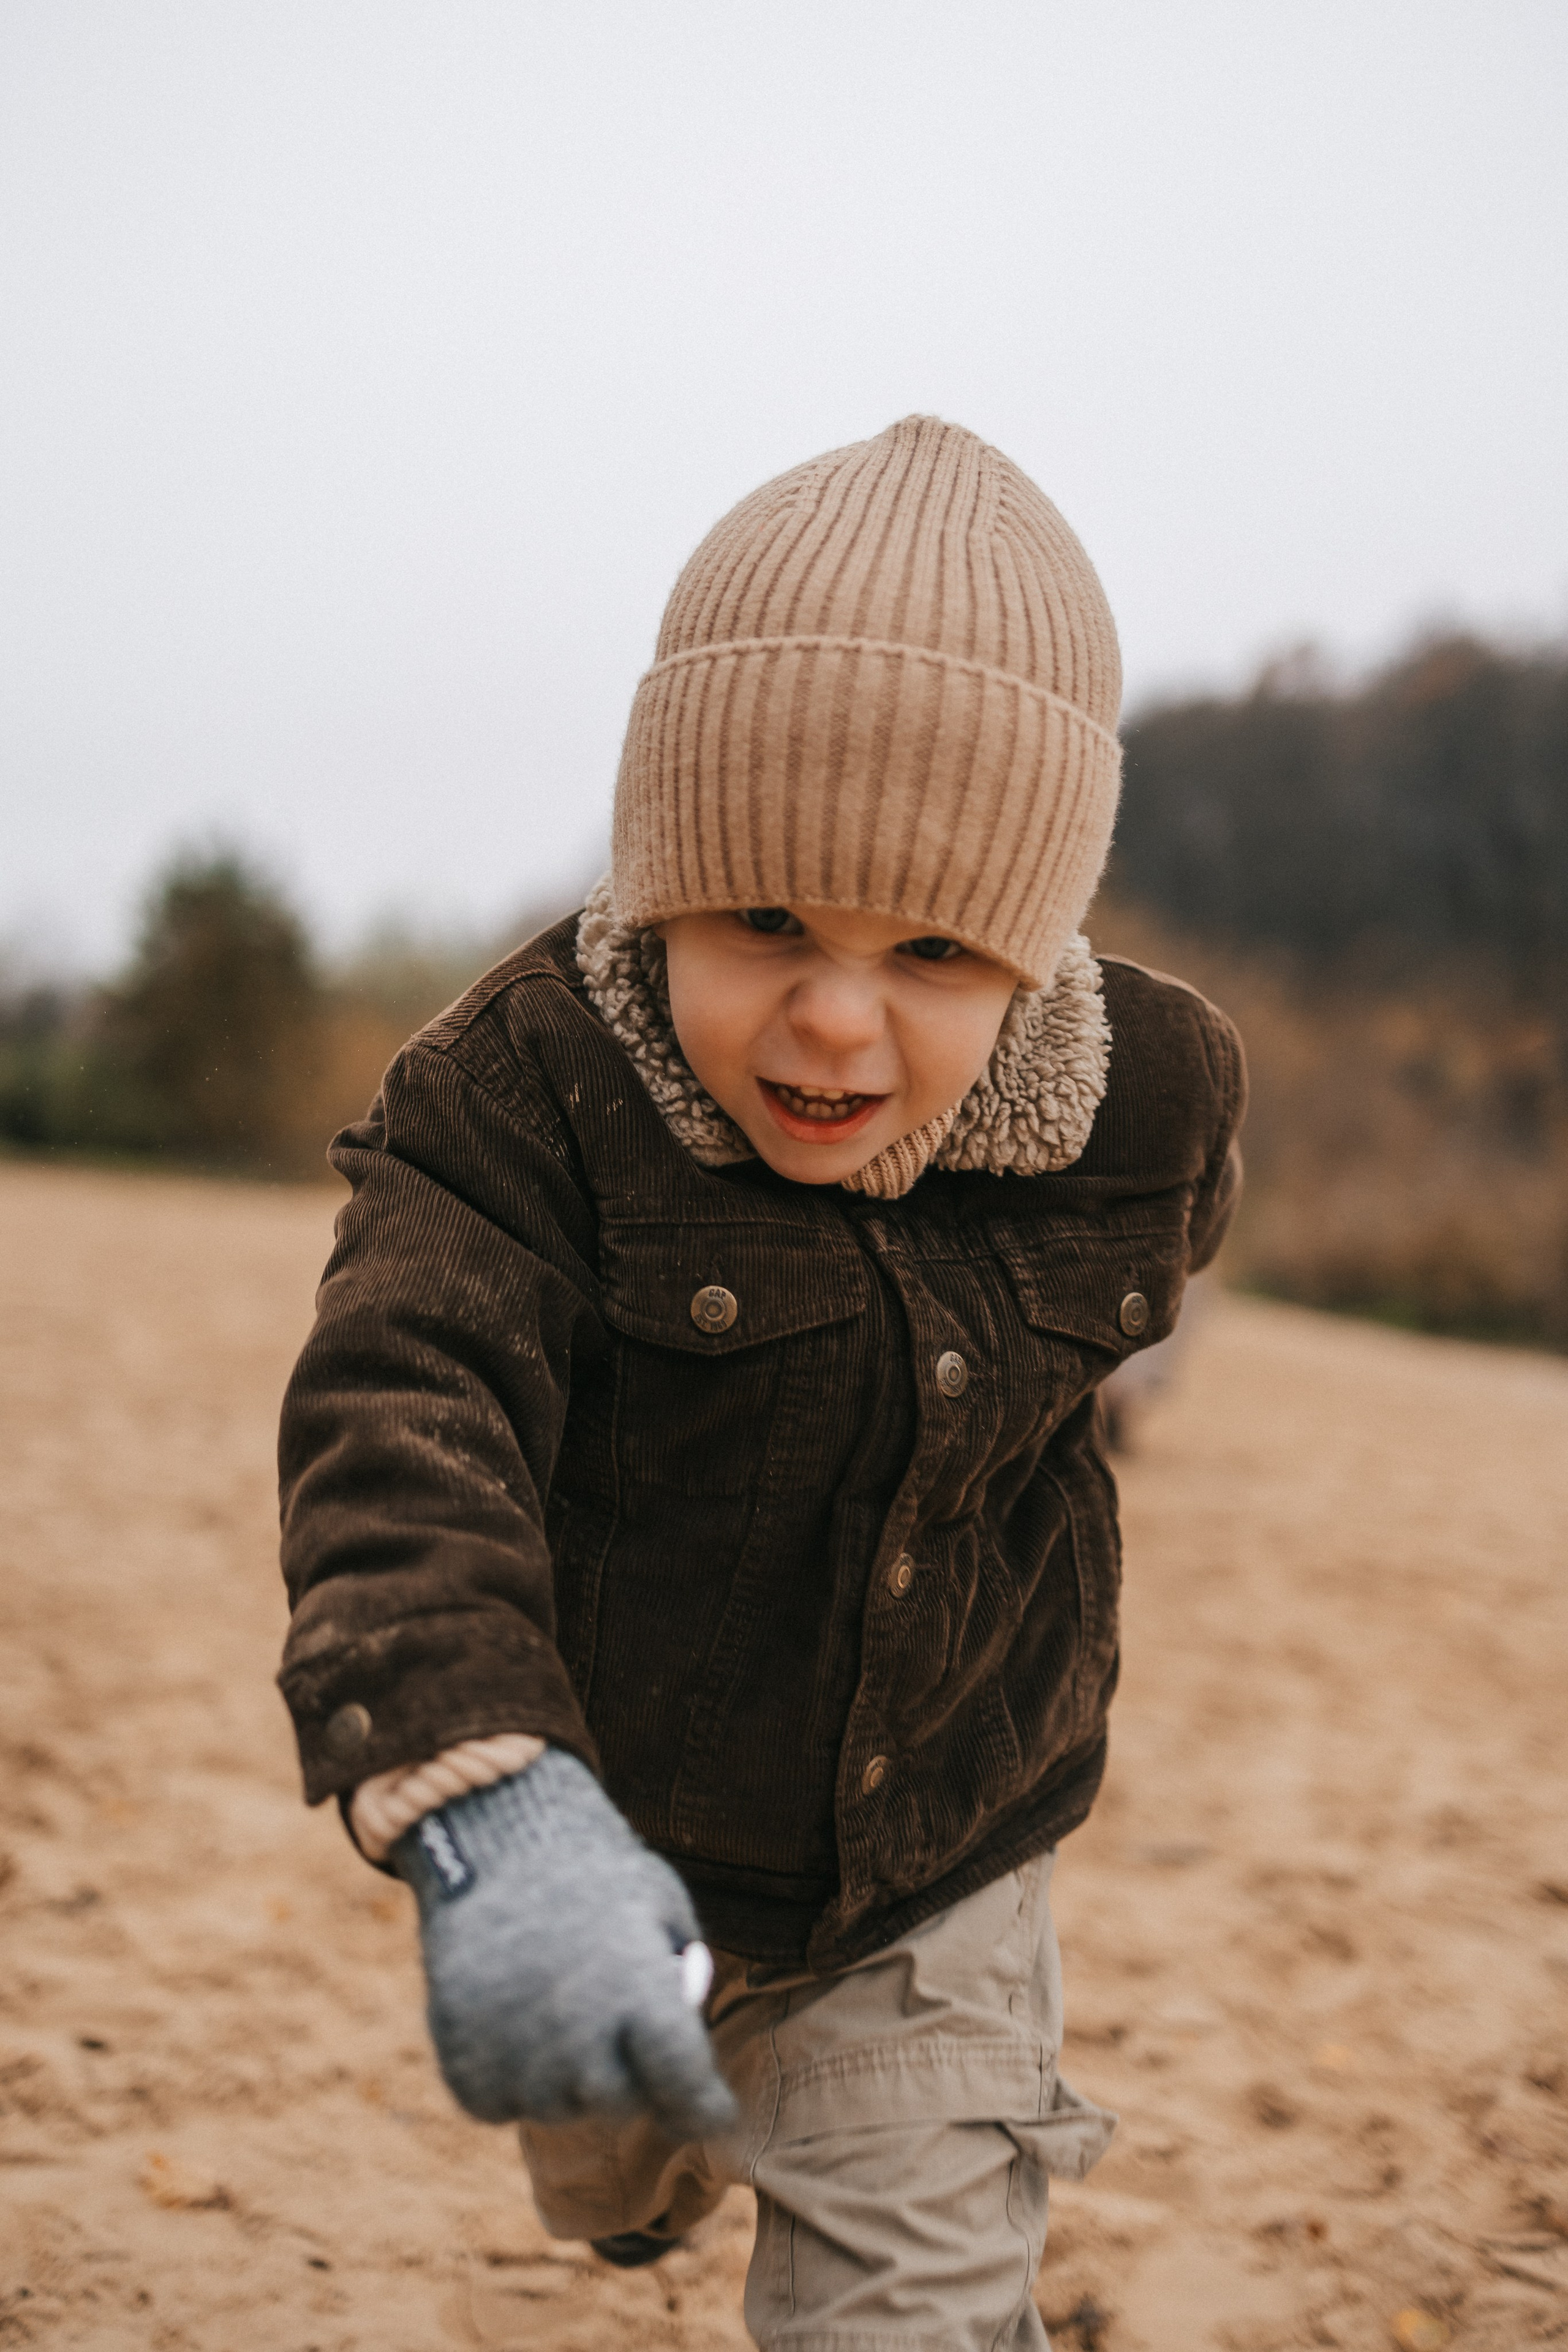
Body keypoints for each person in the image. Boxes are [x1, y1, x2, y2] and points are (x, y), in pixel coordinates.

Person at [276, 415, 1245, 2350]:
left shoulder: (1150, 1107)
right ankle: (640, 2158)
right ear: (660, 880)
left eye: (938, 951)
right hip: (611, 1828)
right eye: (766, 920)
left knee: (916, 2291)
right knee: (613, 2152)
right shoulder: (521, 1099)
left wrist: (1102, 1390)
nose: (832, 1016)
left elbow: (1155, 1276)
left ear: (1040, 955)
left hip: (938, 1856)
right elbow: (401, 1415)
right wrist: (494, 1813)